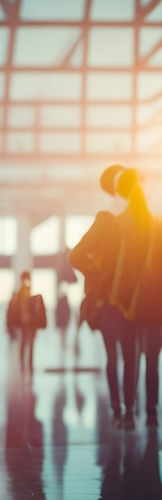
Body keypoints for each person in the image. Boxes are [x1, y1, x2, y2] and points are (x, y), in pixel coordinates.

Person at [69, 165, 152, 429]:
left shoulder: (123, 220)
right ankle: (125, 411)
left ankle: (122, 411)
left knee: (120, 356)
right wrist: (100, 272)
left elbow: (77, 256)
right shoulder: (120, 220)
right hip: (118, 302)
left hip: (119, 302)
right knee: (127, 356)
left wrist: (98, 271)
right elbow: (77, 256)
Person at [10, 270, 44, 373]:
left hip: (27, 323)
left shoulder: (22, 292)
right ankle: (26, 365)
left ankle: (26, 365)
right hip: (26, 323)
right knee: (26, 343)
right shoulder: (23, 292)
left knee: (26, 343)